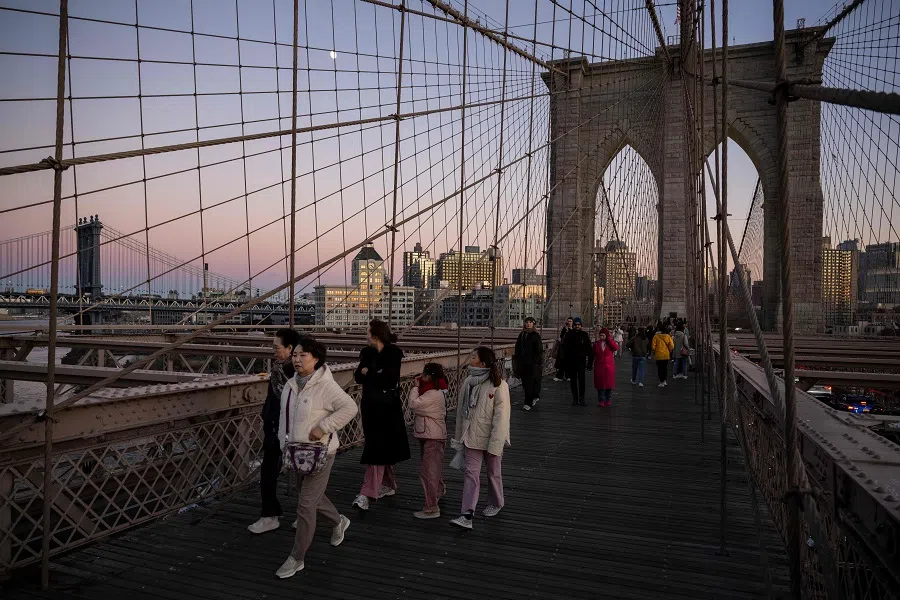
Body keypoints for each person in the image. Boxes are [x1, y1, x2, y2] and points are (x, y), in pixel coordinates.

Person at [275, 336, 358, 579]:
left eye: (303, 356)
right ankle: (339, 521)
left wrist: (323, 427)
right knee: (313, 498)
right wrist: (283, 443)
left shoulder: (326, 386)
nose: (297, 359)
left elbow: (350, 408)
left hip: (320, 453)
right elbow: (284, 418)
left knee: (305, 505)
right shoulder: (291, 385)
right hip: (297, 453)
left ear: (316, 359)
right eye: (295, 355)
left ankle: (297, 558)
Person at [352, 319, 411, 511]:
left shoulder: (393, 353)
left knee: (375, 449)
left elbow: (389, 379)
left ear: (375, 334)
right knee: (381, 446)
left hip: (387, 407)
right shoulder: (368, 352)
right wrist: (373, 373)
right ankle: (388, 485)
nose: (365, 335)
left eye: (367, 332)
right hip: (371, 405)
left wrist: (370, 372)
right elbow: (357, 376)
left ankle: (367, 493)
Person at [450, 346, 511, 530]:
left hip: (491, 437)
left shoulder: (499, 384)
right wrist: (459, 438)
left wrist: (496, 443)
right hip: (472, 436)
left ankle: (496, 502)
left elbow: (502, 417)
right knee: (471, 475)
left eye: (474, 357)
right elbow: (462, 413)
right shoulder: (468, 381)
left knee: (493, 473)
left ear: (482, 363)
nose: (470, 359)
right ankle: (467, 513)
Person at [248, 328, 300, 535]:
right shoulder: (280, 368)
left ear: (290, 348)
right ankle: (273, 514)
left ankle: (276, 515)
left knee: (283, 471)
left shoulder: (296, 372)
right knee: (281, 470)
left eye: (276, 347)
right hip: (275, 427)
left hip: (288, 428)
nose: (273, 351)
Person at [409, 362, 449, 519]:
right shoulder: (436, 390)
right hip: (430, 434)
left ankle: (431, 508)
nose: (421, 377)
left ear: (429, 376)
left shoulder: (432, 393)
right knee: (433, 469)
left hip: (433, 436)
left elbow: (413, 404)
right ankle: (438, 491)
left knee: (428, 472)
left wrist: (414, 388)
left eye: (424, 374)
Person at [514, 316, 543, 411]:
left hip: (531, 364)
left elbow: (539, 350)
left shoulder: (535, 335)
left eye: (530, 322)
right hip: (522, 363)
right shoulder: (522, 335)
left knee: (529, 383)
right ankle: (534, 396)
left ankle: (528, 403)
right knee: (525, 383)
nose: (528, 324)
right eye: (527, 322)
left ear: (533, 324)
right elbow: (517, 348)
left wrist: (535, 362)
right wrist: (517, 359)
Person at [561, 316, 592, 405]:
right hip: (571, 362)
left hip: (581, 362)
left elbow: (589, 350)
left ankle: (581, 398)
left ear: (581, 325)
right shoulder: (569, 335)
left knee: (582, 380)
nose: (577, 326)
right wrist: (566, 363)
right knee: (573, 381)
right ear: (573, 325)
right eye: (575, 325)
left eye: (579, 325)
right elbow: (566, 350)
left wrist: (589, 363)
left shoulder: (584, 335)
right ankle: (575, 398)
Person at [589, 327, 618, 407]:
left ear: (606, 335)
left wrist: (609, 339)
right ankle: (601, 400)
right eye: (600, 335)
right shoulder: (597, 344)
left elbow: (616, 348)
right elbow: (593, 353)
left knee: (609, 385)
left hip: (609, 367)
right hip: (599, 366)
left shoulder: (610, 343)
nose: (601, 337)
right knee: (600, 385)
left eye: (603, 335)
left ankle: (608, 399)